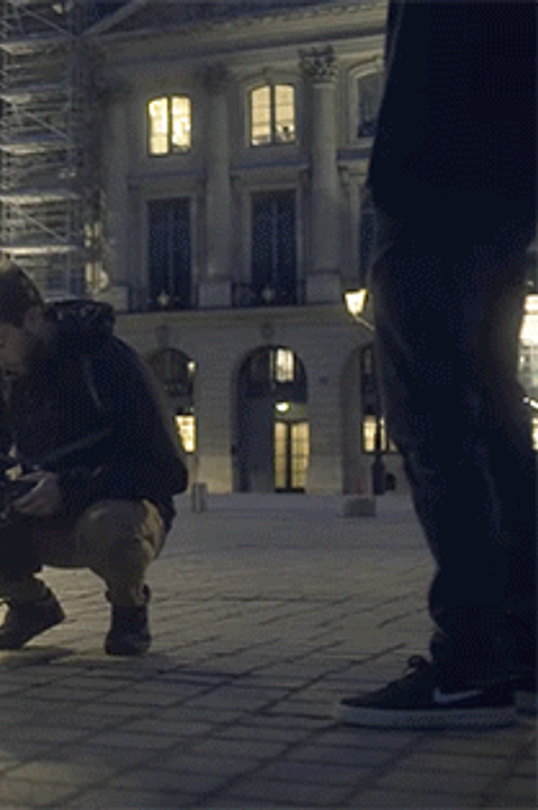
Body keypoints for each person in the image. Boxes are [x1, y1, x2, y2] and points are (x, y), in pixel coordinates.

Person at [335, 2, 536, 729]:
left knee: (437, 425)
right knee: (494, 416)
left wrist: (390, 185)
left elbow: (427, 69)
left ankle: (470, 662)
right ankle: (522, 646)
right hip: (503, 199)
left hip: (430, 195)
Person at [0, 263, 188, 655]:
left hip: (113, 512)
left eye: (0, 344)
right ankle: (29, 605)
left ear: (33, 318)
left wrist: (69, 489)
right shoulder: (4, 372)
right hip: (37, 512)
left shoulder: (107, 361)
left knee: (110, 524)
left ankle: (129, 608)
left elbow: (167, 471)